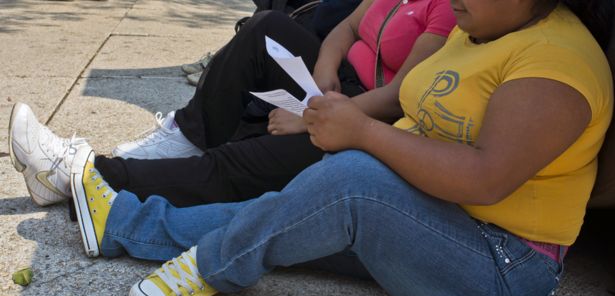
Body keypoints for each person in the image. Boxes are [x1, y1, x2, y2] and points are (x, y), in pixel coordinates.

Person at [61, 0, 615, 296]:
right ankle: (122, 222)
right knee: (292, 209)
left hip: (501, 266)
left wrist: (364, 133)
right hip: (437, 219)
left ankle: (211, 266)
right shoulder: (481, 27)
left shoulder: (554, 64)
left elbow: (485, 178)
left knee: (352, 178)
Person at [9, 0, 455, 210]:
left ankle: (80, 176)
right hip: (343, 89)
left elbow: (404, 95)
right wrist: (323, 76)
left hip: (379, 119)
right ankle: (186, 137)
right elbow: (345, 30)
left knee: (240, 160)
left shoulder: (454, 8)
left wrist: (313, 115)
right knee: (267, 27)